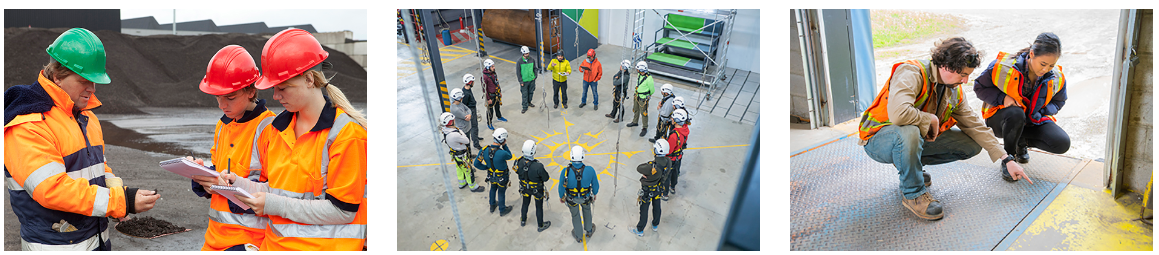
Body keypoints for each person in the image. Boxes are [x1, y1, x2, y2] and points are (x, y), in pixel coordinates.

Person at [4, 27, 160, 251]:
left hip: (96, 239)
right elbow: (52, 190)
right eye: (83, 80)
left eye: (94, 81)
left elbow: (98, 167)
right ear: (57, 77)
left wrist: (118, 190)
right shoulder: (29, 124)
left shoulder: (86, 117)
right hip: (55, 245)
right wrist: (120, 201)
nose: (92, 88)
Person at [858, 37, 1033, 221]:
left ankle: (912, 169)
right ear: (947, 66)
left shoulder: (953, 89)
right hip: (878, 138)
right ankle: (913, 194)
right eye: (963, 74)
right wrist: (930, 119)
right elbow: (898, 115)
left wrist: (1006, 159)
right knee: (909, 131)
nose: (965, 80)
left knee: (971, 144)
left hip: (909, 138)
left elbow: (974, 124)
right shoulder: (911, 72)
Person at [227, 28, 368, 250]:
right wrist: (238, 184)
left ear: (309, 79)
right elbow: (277, 192)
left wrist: (273, 205)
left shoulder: (347, 134)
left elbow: (342, 211)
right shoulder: (277, 130)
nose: (275, 96)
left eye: (282, 88)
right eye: (274, 88)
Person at [187, 45, 276, 251]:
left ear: (251, 91)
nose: (222, 105)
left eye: (230, 97)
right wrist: (203, 177)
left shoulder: (269, 129)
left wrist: (229, 186)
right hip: (215, 239)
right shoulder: (223, 125)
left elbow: (279, 192)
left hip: (251, 240)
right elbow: (220, 172)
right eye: (217, 97)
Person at [974, 32, 1070, 168]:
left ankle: (1020, 141)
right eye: (1043, 63)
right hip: (1001, 121)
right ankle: (1008, 159)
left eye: (1051, 66)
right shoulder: (1001, 67)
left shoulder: (1057, 77)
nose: (1045, 69)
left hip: (1031, 121)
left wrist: (1042, 110)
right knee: (1016, 114)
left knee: (1061, 143)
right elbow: (979, 87)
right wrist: (1003, 98)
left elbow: (1059, 101)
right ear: (1031, 54)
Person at [558, 146, 600, 243]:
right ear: (582, 156)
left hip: (572, 199)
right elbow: (595, 185)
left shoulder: (565, 172)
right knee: (587, 211)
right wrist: (595, 194)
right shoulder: (590, 170)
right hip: (585, 198)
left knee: (575, 215)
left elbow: (561, 187)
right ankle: (589, 230)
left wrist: (561, 196)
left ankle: (578, 236)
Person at [630, 140, 670, 237]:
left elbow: (639, 168)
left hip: (647, 191)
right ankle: (655, 225)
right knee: (657, 207)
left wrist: (649, 167)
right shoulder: (668, 161)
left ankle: (640, 230)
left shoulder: (651, 167)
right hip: (658, 189)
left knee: (644, 210)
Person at [440, 112, 485, 192]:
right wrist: (460, 132)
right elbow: (467, 140)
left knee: (459, 168)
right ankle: (473, 186)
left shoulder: (445, 131)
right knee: (468, 170)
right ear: (450, 121)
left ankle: (462, 183)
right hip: (462, 155)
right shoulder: (455, 134)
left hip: (455, 154)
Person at [474, 128, 514, 216]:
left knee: (493, 188)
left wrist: (486, 167)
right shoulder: (502, 153)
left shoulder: (484, 150)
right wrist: (504, 145)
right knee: (501, 191)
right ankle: (502, 209)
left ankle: (492, 205)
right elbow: (510, 156)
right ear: (502, 140)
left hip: (491, 175)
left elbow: (476, 163)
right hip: (502, 177)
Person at [514, 140, 552, 232]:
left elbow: (517, 171)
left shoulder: (518, 162)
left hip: (525, 189)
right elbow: (546, 178)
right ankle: (540, 225)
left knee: (525, 203)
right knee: (539, 207)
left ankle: (523, 220)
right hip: (537, 191)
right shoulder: (538, 166)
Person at [664, 109, 691, 201]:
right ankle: (673, 187)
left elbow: (668, 150)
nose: (671, 119)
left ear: (676, 120)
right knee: (675, 173)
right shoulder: (685, 129)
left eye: (673, 118)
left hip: (671, 159)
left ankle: (665, 194)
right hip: (678, 157)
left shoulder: (674, 136)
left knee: (667, 176)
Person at [627, 61, 655, 137]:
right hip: (637, 96)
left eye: (638, 69)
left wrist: (647, 95)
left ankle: (644, 127)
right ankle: (635, 122)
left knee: (644, 113)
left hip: (643, 99)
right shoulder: (640, 75)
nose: (637, 71)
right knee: (636, 109)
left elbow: (652, 90)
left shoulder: (649, 79)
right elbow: (637, 84)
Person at [482, 59, 507, 130]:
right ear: (487, 67)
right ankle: (489, 123)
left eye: (493, 66)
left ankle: (499, 117)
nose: (494, 67)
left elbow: (497, 83)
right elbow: (484, 89)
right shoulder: (484, 77)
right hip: (490, 96)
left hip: (496, 94)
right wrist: (488, 99)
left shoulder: (494, 73)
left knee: (497, 107)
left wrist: (499, 92)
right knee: (490, 111)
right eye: (492, 66)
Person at [461, 74, 484, 150]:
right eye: (473, 81)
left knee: (475, 127)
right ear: (470, 82)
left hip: (472, 109)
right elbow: (464, 105)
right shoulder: (466, 94)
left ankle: (476, 138)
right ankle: (476, 144)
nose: (474, 83)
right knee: (474, 127)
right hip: (471, 111)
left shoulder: (467, 89)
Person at [516, 46, 538, 113]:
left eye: (528, 53)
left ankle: (529, 102)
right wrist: (521, 81)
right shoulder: (519, 61)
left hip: (531, 80)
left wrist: (535, 76)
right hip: (524, 81)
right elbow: (518, 72)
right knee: (524, 94)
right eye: (526, 54)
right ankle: (524, 107)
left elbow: (535, 68)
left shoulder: (532, 60)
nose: (527, 55)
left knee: (531, 92)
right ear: (523, 53)